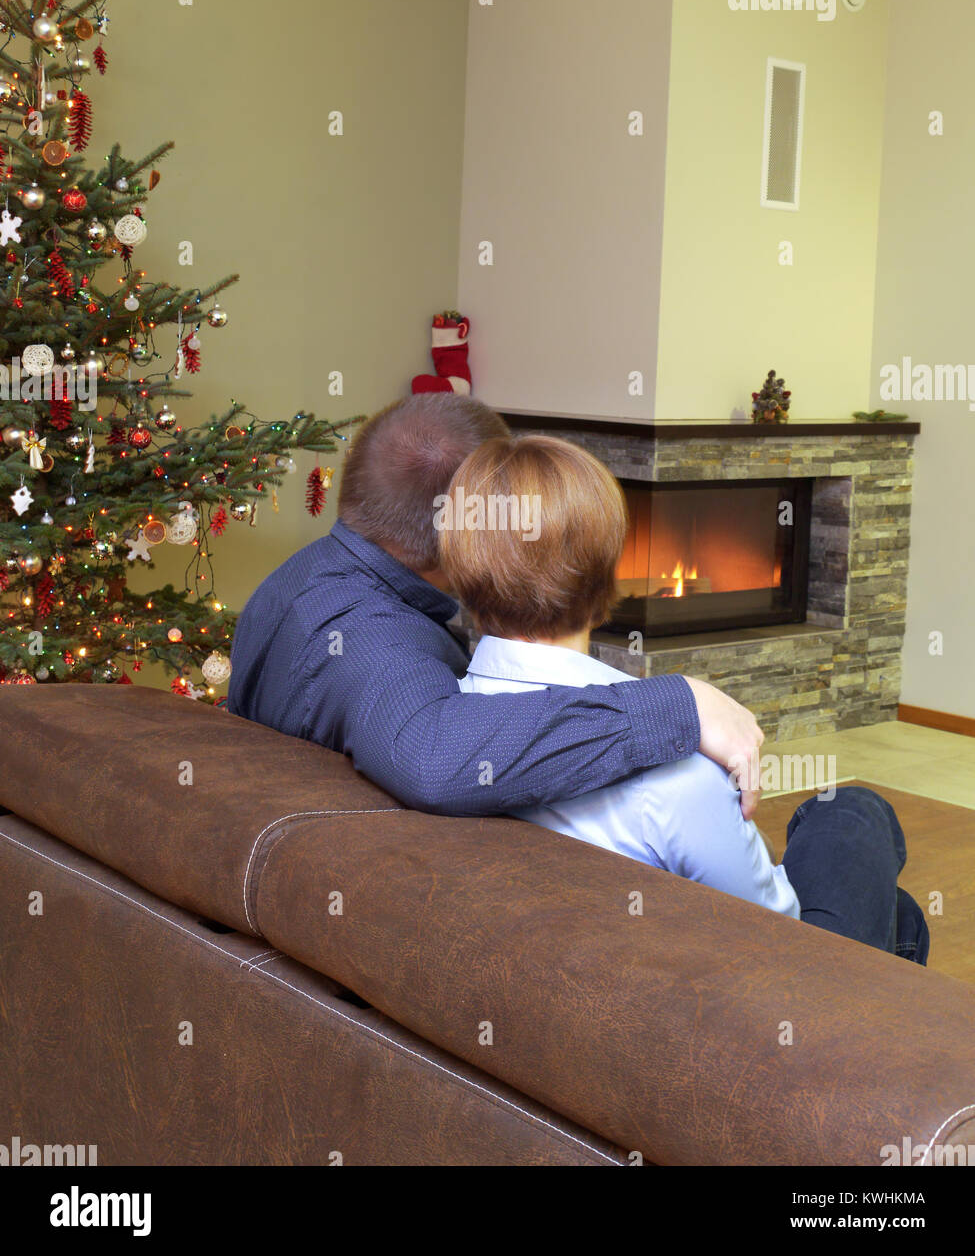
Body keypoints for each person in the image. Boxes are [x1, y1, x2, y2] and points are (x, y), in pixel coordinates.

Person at [438, 432, 929, 962]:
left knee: (896, 910)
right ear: (606, 568)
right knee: (855, 813)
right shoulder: (675, 776)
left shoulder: (444, 733)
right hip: (768, 995)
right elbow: (782, 933)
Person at [228, 395, 764, 820]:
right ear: (466, 532)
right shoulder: (370, 638)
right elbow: (436, 758)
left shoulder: (298, 577)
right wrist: (677, 703)